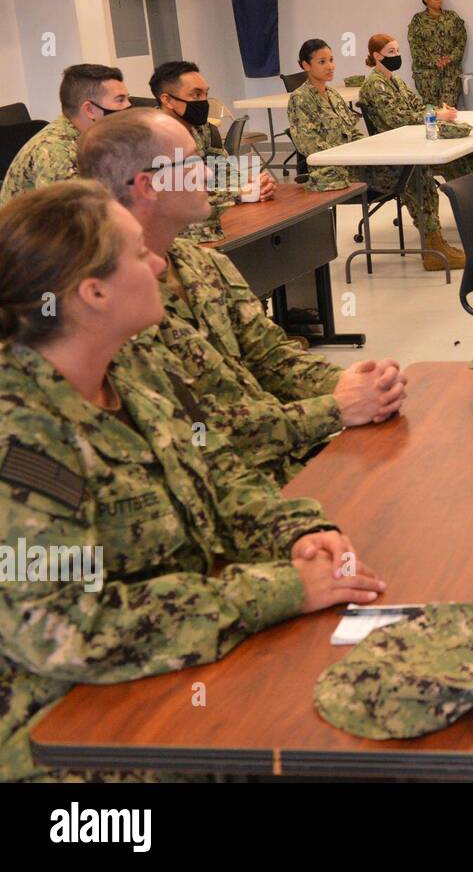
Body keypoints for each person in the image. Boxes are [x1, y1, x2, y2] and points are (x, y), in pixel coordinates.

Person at [0, 180, 387, 781]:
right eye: (137, 254)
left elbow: (219, 469)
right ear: (93, 292)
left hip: (182, 643)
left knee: (377, 699)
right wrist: (280, 590)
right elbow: (68, 630)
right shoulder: (20, 434)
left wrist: (297, 533)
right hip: (69, 726)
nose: (159, 261)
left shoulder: (129, 362)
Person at [78, 109, 409, 483]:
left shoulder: (200, 262)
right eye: (191, 163)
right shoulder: (110, 307)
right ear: (147, 186)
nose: (207, 173)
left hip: (281, 457)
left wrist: (356, 383)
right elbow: (198, 432)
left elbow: (269, 357)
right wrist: (335, 407)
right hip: (223, 486)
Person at [288, 38, 466, 270]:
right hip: (333, 170)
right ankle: (432, 248)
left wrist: (369, 149)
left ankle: (434, 242)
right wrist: (351, 154)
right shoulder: (300, 99)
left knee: (417, 168)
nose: (330, 66)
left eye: (331, 60)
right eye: (322, 62)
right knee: (412, 176)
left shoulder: (333, 95)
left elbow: (352, 132)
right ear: (305, 65)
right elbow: (308, 145)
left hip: (355, 162)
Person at [357, 32, 472, 270]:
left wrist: (436, 109)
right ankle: (432, 248)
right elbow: (397, 120)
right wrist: (435, 116)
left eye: (398, 51)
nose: (396, 56)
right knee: (421, 180)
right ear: (376, 56)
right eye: (391, 52)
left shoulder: (395, 81)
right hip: (392, 156)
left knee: (467, 158)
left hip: (413, 145)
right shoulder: (374, 85)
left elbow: (417, 107)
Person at [150, 60, 275, 242]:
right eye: (196, 95)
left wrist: (257, 186)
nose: (203, 101)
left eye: (205, 94)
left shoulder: (203, 127)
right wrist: (240, 193)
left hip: (212, 223)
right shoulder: (150, 137)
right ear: (167, 100)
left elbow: (225, 173)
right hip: (176, 236)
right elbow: (176, 196)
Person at [0, 64, 130, 206]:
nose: (128, 106)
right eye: (120, 100)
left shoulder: (95, 136)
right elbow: (68, 219)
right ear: (90, 110)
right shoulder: (55, 152)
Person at [408, 0, 466, 109]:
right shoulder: (418, 20)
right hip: (427, 77)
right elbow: (415, 46)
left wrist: (450, 58)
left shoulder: (452, 17)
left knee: (449, 111)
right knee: (432, 113)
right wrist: (434, 61)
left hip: (450, 75)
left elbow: (461, 40)